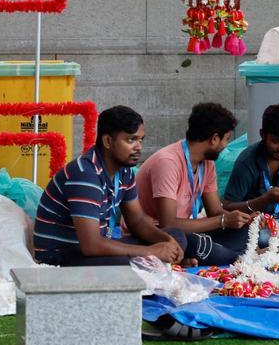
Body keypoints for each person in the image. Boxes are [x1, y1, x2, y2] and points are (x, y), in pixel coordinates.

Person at [32, 105, 186, 267]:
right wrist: (152, 251)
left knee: (176, 236)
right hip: (62, 256)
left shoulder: (125, 171)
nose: (138, 147)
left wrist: (167, 242)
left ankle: (152, 264)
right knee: (119, 263)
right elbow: (91, 245)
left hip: (95, 247)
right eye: (130, 140)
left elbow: (137, 221)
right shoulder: (85, 174)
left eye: (140, 140)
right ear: (107, 141)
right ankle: (152, 265)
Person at [135, 102, 252, 265]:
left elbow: (215, 211)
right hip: (157, 234)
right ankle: (236, 256)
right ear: (214, 139)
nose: (225, 146)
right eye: (226, 140)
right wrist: (224, 220)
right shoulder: (168, 162)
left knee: (245, 232)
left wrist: (240, 219)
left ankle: (231, 254)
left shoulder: (208, 163)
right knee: (195, 243)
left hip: (187, 230)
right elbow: (168, 223)